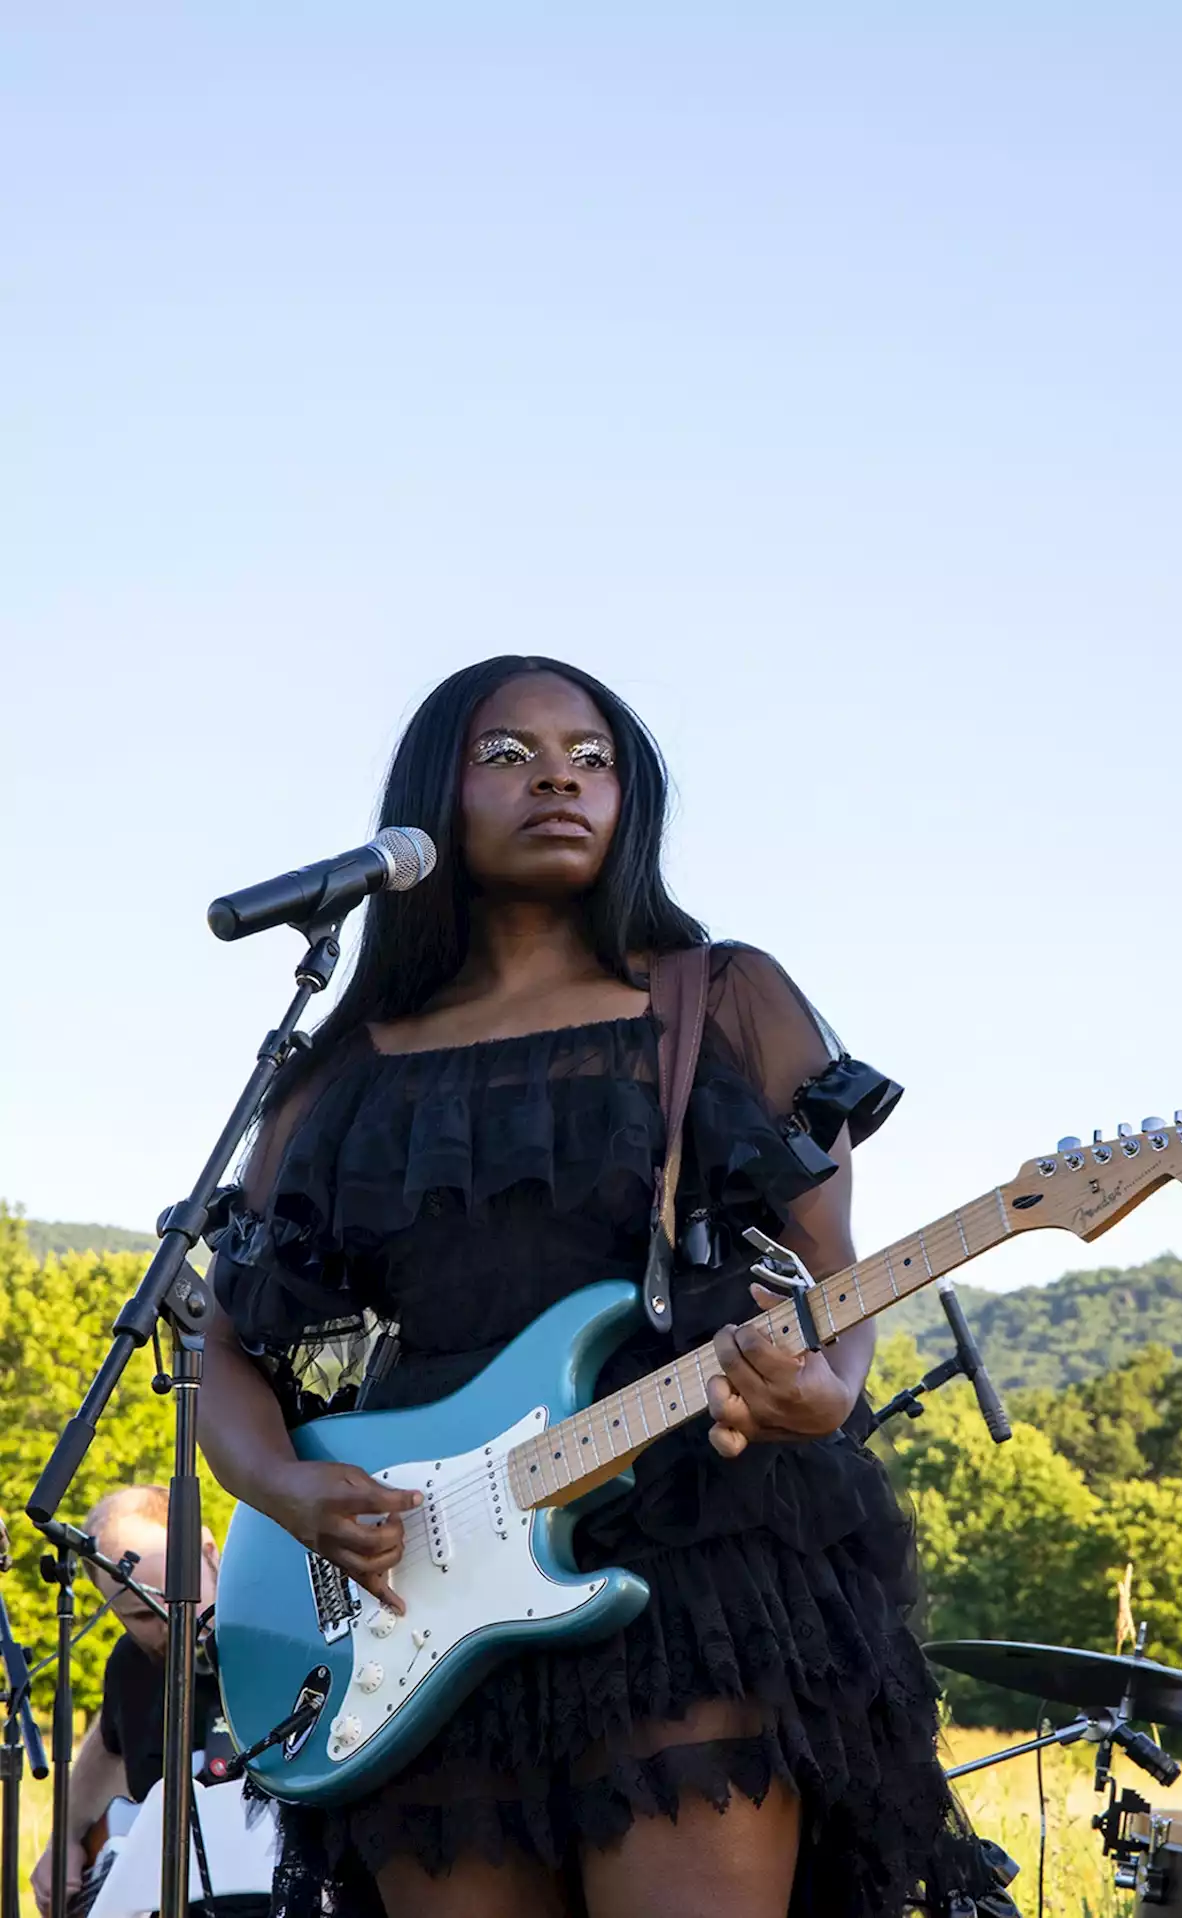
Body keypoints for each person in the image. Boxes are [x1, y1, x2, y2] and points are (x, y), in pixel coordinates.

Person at [198, 657, 972, 1918]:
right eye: (505, 754)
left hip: (694, 1552)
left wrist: (823, 1394)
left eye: (590, 754)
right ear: (429, 796)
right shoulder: (333, 1073)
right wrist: (283, 1487)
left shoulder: (718, 999)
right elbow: (226, 1347)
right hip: (419, 1594)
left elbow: (835, 1277)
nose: (557, 775)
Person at [30, 1484, 222, 1918]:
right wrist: (65, 1840)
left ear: (207, 1550)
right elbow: (106, 1743)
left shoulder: (280, 1631)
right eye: (139, 1616)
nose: (168, 1623)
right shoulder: (130, 1663)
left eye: (180, 1598)